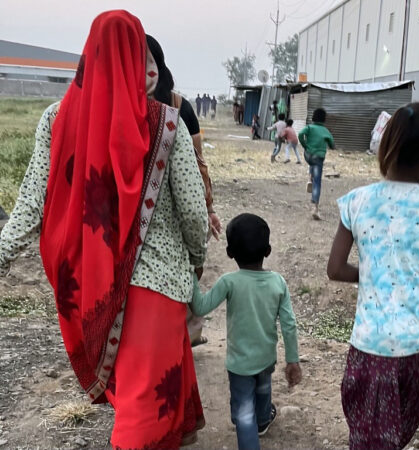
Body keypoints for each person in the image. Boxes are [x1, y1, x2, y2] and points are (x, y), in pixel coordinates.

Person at [0, 11, 208, 448]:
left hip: (90, 283)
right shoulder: (168, 125)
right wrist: (195, 262)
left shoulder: (57, 118)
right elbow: (193, 213)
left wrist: (3, 253)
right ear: (139, 58)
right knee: (144, 410)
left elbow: (32, 200)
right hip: (157, 285)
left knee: (141, 399)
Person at [327, 102, 419, 449]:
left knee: (368, 437)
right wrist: (415, 282)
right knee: (397, 434)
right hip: (417, 344)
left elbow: (336, 269)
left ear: (386, 144)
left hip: (369, 344)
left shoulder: (357, 201)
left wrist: (374, 275)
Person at [191, 213, 302, 450]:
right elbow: (289, 324)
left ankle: (252, 429)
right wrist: (292, 360)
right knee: (263, 391)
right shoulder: (278, 282)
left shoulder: (229, 282)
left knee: (243, 414)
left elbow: (200, 307)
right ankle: (262, 421)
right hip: (266, 359)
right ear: (268, 251)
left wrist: (190, 276)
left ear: (230, 253)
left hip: (240, 364)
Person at [146, 34, 222, 347]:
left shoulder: (179, 108)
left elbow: (199, 163)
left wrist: (208, 209)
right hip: (150, 218)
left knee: (186, 270)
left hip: (173, 209)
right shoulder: (112, 108)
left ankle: (184, 336)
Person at [298, 108, 334, 220]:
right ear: (324, 118)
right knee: (317, 182)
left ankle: (310, 178)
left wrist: (305, 145)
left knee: (311, 163)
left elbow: (300, 134)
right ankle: (315, 208)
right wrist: (330, 145)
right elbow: (332, 144)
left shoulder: (309, 127)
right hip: (318, 158)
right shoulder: (325, 131)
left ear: (313, 117)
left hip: (308, 155)